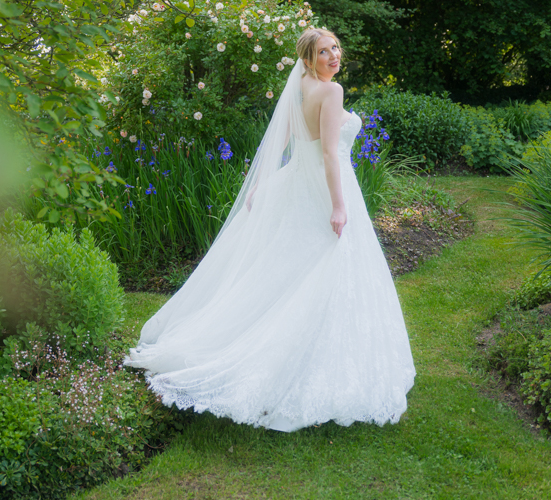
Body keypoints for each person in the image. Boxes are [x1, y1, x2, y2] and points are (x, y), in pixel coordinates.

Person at [125, 28, 415, 431]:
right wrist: (338, 206)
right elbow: (330, 152)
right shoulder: (332, 93)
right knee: (323, 270)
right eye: (323, 52)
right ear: (308, 59)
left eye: (335, 48)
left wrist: (264, 179)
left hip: (296, 182)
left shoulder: (298, 86)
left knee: (290, 270)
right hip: (323, 187)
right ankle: (306, 366)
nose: (333, 56)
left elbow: (282, 137)